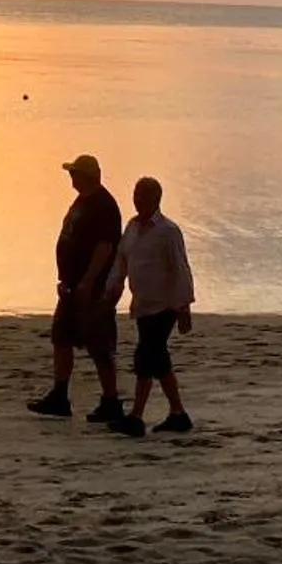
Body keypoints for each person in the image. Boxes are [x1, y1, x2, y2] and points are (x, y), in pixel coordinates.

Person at [27, 153, 124, 424]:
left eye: (75, 173)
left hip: (91, 288)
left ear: (87, 176)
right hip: (72, 285)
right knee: (62, 338)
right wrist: (66, 280)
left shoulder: (104, 205)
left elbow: (105, 246)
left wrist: (88, 280)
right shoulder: (83, 200)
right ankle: (60, 395)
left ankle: (111, 400)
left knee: (99, 345)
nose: (71, 178)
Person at [103, 175, 196, 437]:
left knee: (146, 356)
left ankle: (136, 417)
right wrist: (112, 289)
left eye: (143, 195)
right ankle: (178, 414)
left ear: (156, 199)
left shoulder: (168, 231)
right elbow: (121, 261)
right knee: (157, 359)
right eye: (135, 194)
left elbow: (180, 270)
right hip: (143, 305)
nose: (137, 200)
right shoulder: (132, 227)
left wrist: (183, 308)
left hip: (164, 305)